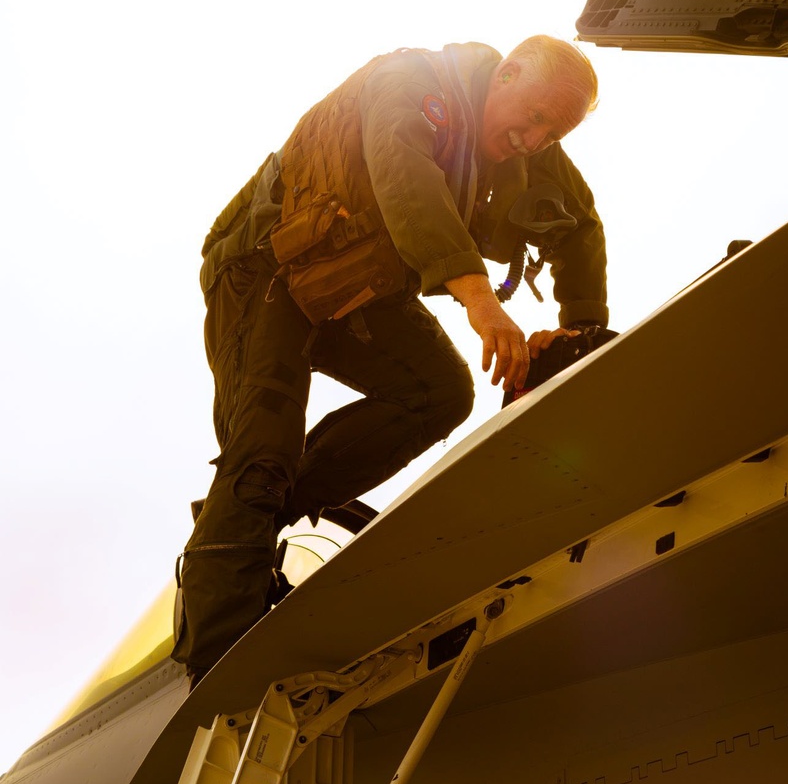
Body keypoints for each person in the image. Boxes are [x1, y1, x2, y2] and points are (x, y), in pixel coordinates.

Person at [173, 35, 608, 682]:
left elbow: (577, 226)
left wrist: (576, 336)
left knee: (439, 391)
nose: (537, 139)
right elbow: (403, 177)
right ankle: (216, 661)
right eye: (538, 117)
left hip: (352, 289)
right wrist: (481, 301)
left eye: (555, 132)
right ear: (507, 73)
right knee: (262, 448)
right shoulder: (413, 83)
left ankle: (251, 529)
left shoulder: (530, 155)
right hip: (265, 267)